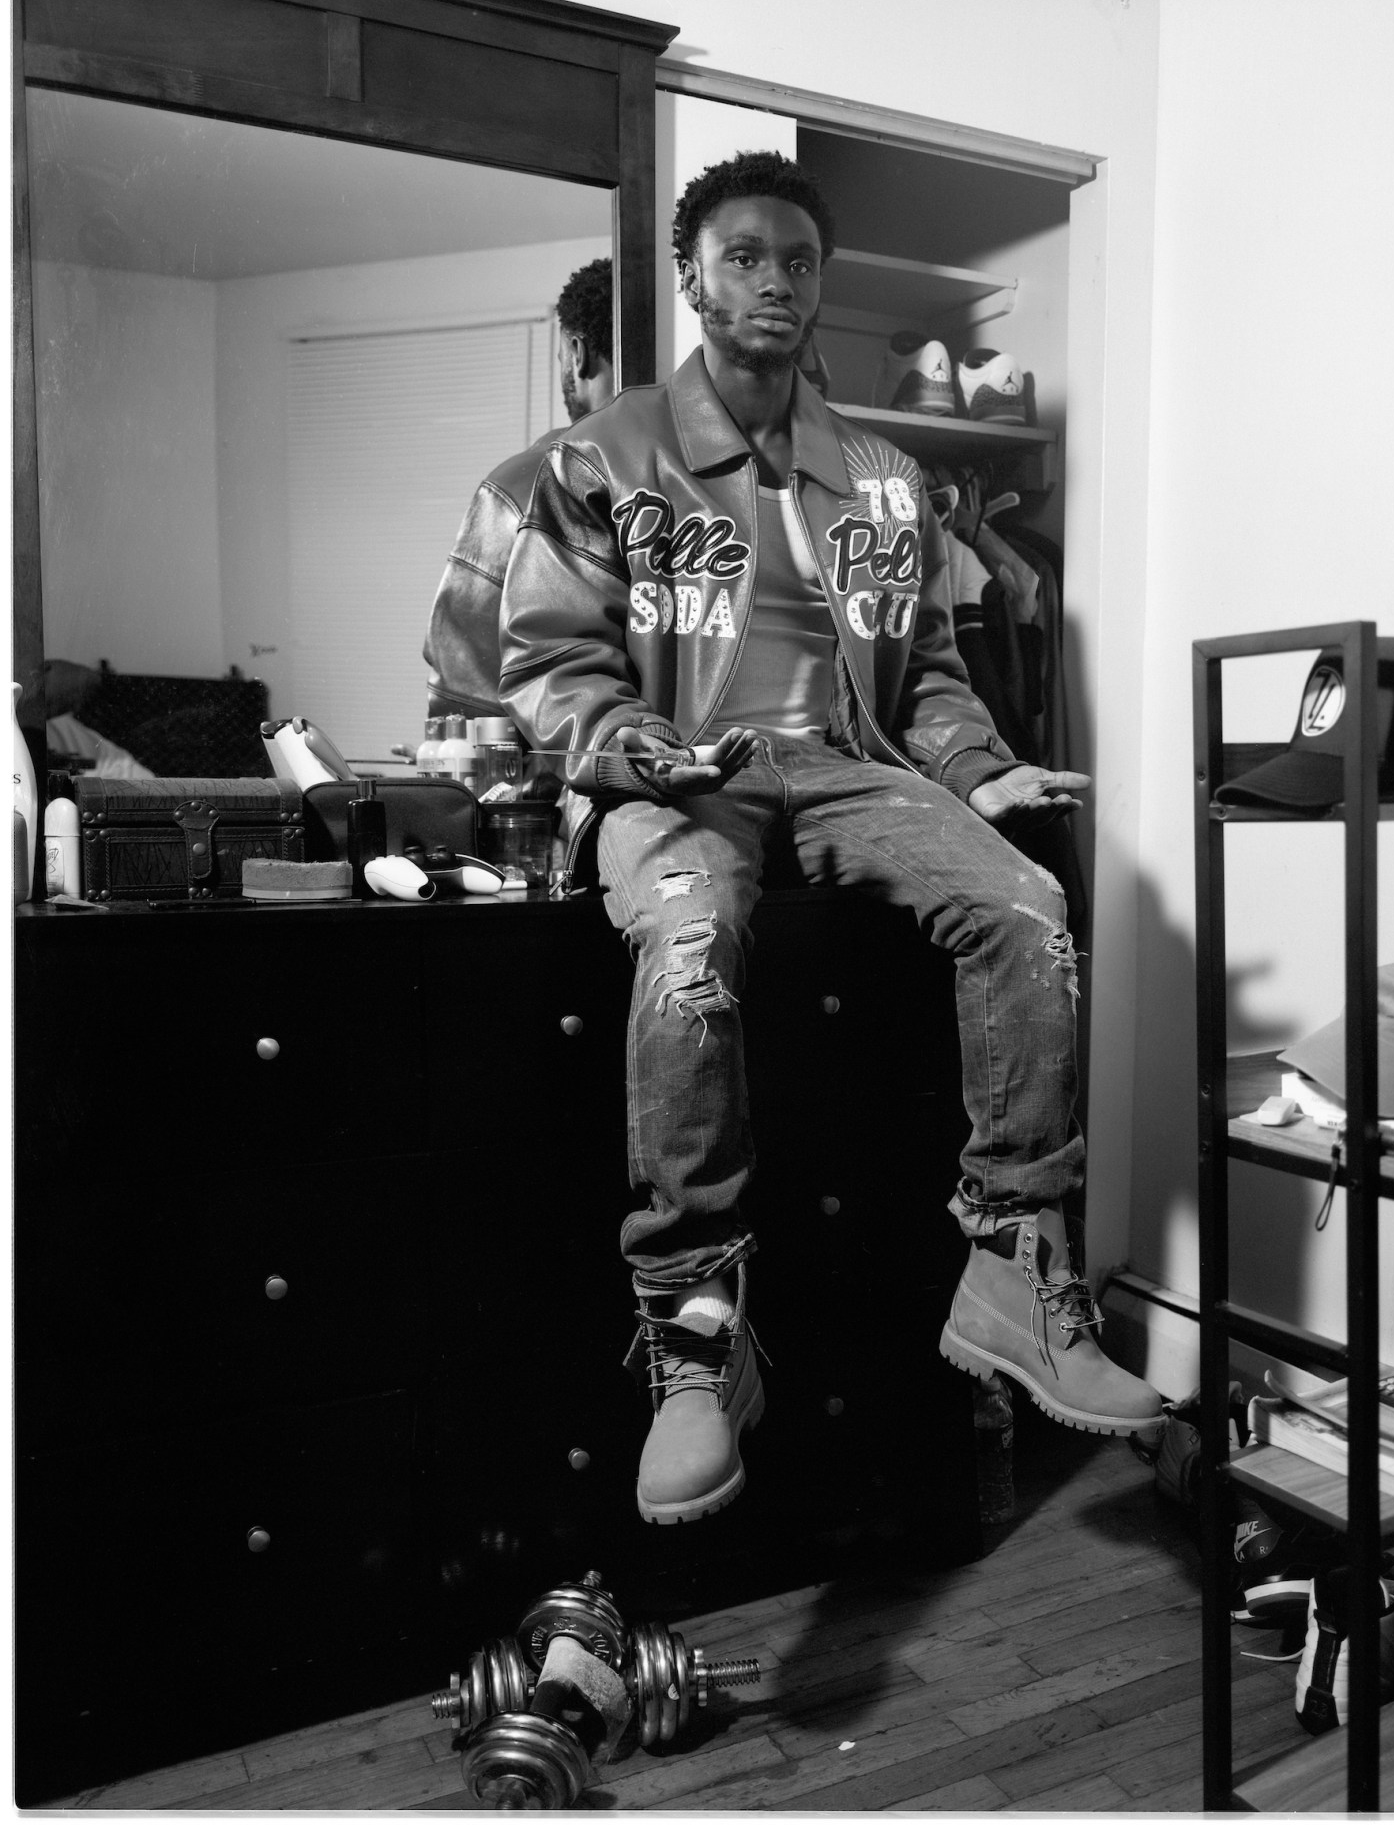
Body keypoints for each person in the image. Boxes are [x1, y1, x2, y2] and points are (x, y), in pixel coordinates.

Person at [499, 151, 1163, 1526]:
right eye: (744, 256)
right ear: (691, 277)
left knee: (1032, 904)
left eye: (797, 262)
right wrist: (641, 749)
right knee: (691, 938)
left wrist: (979, 778)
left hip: (840, 771)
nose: (774, 283)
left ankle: (1014, 1268)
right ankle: (693, 1331)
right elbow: (547, 670)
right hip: (675, 781)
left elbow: (922, 675)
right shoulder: (596, 464)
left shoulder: (885, 478)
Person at [424, 256, 617, 719]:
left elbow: (464, 690)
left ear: (577, 352)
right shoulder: (702, 485)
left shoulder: (518, 486)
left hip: (557, 783)